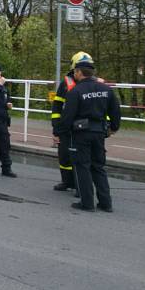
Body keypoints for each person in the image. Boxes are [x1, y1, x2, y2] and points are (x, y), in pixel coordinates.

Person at [59, 60, 121, 212]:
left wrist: (62, 133)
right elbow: (115, 111)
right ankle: (106, 204)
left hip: (81, 134)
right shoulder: (105, 89)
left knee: (82, 167)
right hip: (99, 132)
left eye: (75, 72)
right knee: (98, 167)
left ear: (79, 72)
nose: (74, 74)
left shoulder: (75, 91)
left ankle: (87, 203)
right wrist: (113, 128)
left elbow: (67, 117)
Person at [50, 52, 93, 193]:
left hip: (84, 128)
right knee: (64, 155)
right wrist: (56, 127)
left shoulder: (93, 84)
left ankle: (80, 186)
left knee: (81, 158)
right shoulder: (66, 84)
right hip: (66, 127)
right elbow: (57, 106)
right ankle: (67, 181)